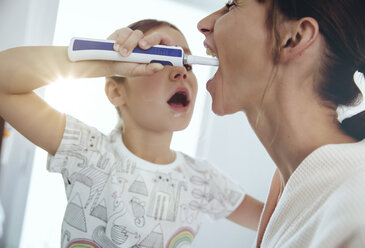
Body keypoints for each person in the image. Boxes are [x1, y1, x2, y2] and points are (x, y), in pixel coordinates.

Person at [0, 19, 264, 247]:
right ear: (116, 91)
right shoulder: (87, 151)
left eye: (187, 62)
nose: (181, 70)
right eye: (159, 60)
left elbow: (280, 218)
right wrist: (102, 61)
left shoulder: (202, 180)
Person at [194, 0, 365, 247]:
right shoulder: (286, 184)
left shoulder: (360, 210)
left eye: (232, 5)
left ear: (295, 38)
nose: (203, 24)